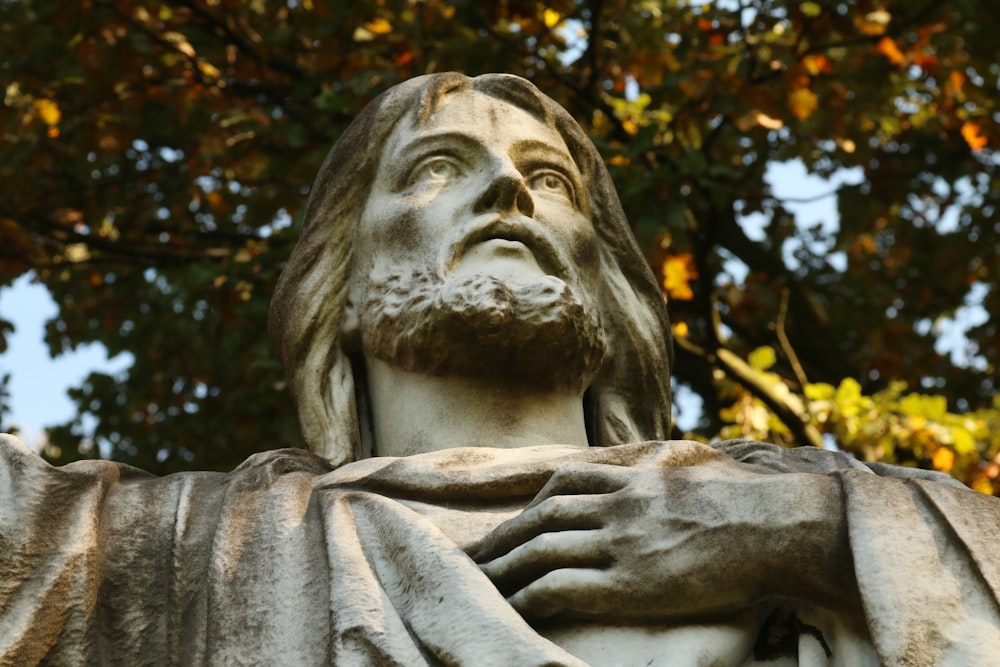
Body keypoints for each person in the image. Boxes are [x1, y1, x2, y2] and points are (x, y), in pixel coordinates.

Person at [2, 73, 998, 666]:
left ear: (609, 289)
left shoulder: (827, 508)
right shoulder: (156, 551)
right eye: (437, 166)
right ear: (337, 290)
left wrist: (807, 535)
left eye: (552, 178)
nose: (510, 186)